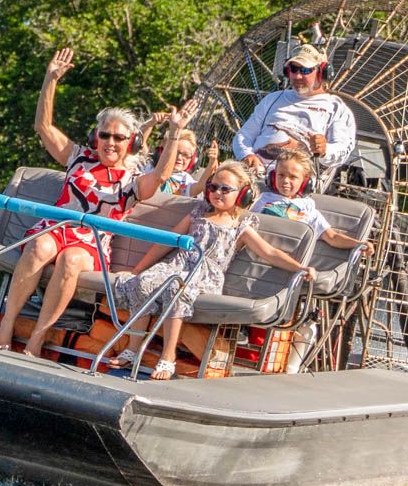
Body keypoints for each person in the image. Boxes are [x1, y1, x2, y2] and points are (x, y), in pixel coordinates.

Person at [0, 48, 196, 358]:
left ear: (131, 143)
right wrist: (50, 80)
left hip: (91, 241)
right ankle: (6, 327)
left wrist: (174, 134)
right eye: (105, 136)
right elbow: (43, 128)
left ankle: (37, 338)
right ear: (95, 138)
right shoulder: (78, 158)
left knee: (71, 261)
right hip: (56, 226)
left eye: (118, 138)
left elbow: (160, 177)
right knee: (39, 248)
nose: (111, 143)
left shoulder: (132, 177)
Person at [107, 160, 316, 380]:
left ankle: (168, 357)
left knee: (176, 291)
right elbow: (167, 243)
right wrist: (138, 269)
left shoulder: (241, 226)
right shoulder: (198, 213)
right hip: (178, 265)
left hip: (204, 274)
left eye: (225, 189)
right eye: (213, 187)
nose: (217, 193)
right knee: (145, 282)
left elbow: (269, 252)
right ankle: (133, 347)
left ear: (242, 194)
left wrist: (299, 267)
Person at [232, 33, 357, 182]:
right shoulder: (273, 98)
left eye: (305, 71)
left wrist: (325, 150)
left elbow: (342, 150)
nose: (297, 76)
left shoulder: (336, 108)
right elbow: (243, 135)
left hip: (294, 183)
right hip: (254, 176)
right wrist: (247, 155)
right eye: (293, 69)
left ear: (322, 73)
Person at [251, 147, 375, 250]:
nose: (285, 181)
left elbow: (332, 237)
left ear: (306, 182)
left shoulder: (308, 209)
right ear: (273, 176)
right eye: (281, 175)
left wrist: (359, 244)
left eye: (293, 177)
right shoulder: (260, 199)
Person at [143, 125, 221, 197]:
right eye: (176, 152)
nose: (180, 157)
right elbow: (141, 144)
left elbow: (200, 186)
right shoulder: (149, 166)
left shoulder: (185, 179)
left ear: (192, 160)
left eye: (186, 155)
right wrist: (150, 123)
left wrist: (212, 162)